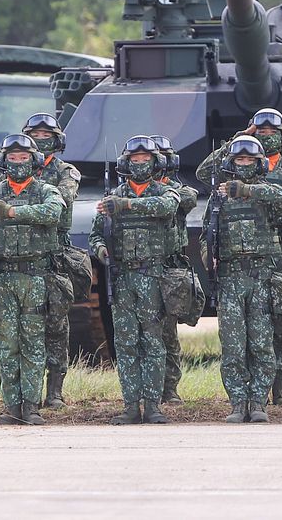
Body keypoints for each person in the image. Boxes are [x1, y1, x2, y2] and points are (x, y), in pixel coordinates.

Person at [197, 108, 282, 405]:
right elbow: (203, 173)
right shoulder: (236, 166)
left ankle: (281, 387)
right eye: (259, 132)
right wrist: (240, 138)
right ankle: (250, 393)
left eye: (270, 132)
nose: (265, 136)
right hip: (240, 254)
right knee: (248, 327)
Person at [0, 134, 65, 426]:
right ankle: (11, 405)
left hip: (35, 277)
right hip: (4, 278)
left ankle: (31, 406)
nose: (18, 162)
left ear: (33, 161)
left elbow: (53, 213)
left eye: (24, 157)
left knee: (34, 343)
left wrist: (10, 212)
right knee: (7, 345)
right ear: (3, 161)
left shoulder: (47, 191)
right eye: (13, 157)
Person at [91, 135, 180, 424]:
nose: (140, 164)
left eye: (146, 159)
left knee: (153, 342)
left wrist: (126, 206)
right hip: (122, 277)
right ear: (126, 163)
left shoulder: (165, 192)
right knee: (127, 343)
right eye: (135, 159)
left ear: (156, 162)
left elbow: (166, 207)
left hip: (153, 276)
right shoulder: (112, 196)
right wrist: (101, 249)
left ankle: (153, 405)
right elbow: (95, 233)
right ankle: (131, 405)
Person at [22, 112, 81, 410]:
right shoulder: (13, 171)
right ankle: (23, 393)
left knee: (56, 325)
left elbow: (62, 200)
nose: (40, 141)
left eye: (46, 137)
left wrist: (20, 207)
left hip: (54, 255)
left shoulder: (66, 172)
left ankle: (55, 391)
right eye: (35, 137)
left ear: (57, 141)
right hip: (22, 255)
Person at [150, 134, 201, 406]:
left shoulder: (178, 191)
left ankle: (170, 388)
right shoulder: (131, 190)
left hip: (170, 267)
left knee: (168, 333)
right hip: (141, 267)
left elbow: (185, 198)